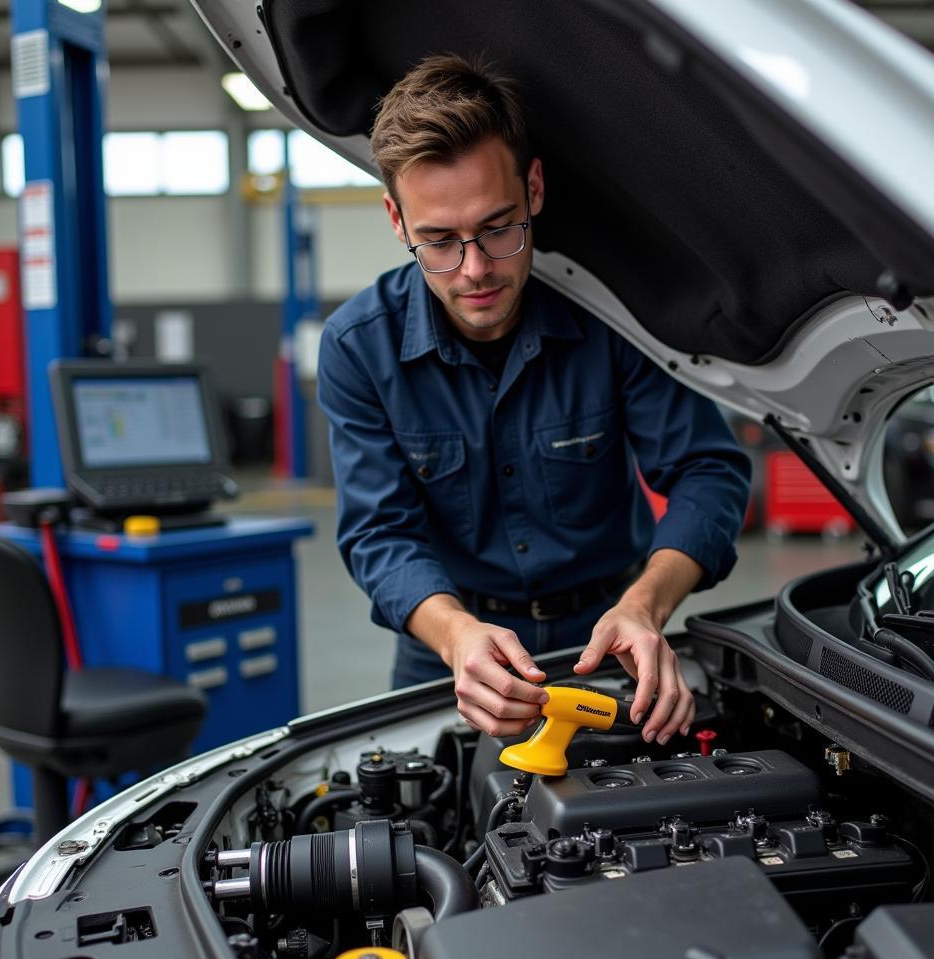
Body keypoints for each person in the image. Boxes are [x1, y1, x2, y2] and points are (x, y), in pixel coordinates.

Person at [318, 54, 751, 746]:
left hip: (606, 635)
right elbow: (378, 533)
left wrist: (644, 606)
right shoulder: (356, 347)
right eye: (438, 240)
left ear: (535, 188)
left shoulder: (617, 322)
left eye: (498, 226)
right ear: (397, 219)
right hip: (449, 645)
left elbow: (708, 471)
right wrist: (458, 637)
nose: (476, 268)